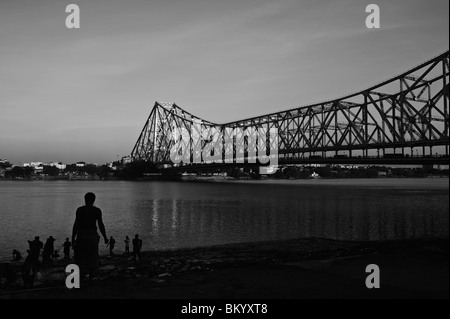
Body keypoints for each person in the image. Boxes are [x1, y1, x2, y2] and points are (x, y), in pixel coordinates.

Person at [72, 192, 108, 282]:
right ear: (94, 200)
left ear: (85, 199)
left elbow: (76, 224)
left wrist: (73, 237)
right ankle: (91, 279)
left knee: (79, 258)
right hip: (92, 235)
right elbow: (100, 225)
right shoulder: (97, 210)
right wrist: (105, 237)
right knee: (92, 257)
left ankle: (77, 280)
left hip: (81, 235)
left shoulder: (80, 210)